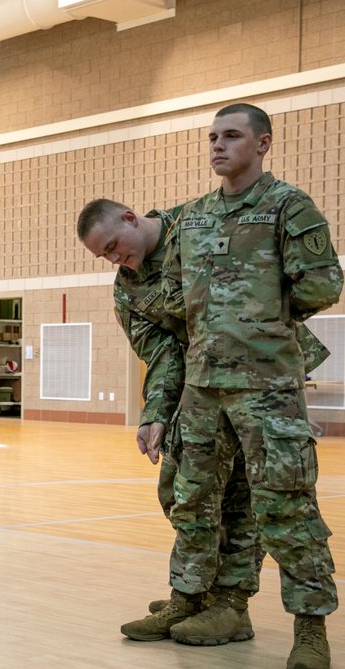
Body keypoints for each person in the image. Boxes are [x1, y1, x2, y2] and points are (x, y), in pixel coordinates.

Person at [78, 198, 330, 644]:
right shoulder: (128, 287)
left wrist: (272, 350)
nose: (116, 260)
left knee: (250, 495)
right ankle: (199, 594)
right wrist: (156, 412)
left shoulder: (198, 227)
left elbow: (270, 285)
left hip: (259, 375)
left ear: (131, 219)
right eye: (106, 256)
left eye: (115, 246)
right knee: (182, 491)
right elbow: (160, 352)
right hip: (201, 383)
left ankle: (230, 603)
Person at [158, 103, 340, 669]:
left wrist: (260, 323)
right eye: (212, 137)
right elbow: (170, 295)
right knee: (197, 503)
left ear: (263, 144)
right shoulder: (190, 218)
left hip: (267, 388)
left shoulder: (289, 206)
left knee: (285, 505)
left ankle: (310, 629)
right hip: (204, 386)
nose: (218, 146)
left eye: (231, 136)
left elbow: (322, 284)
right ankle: (208, 606)